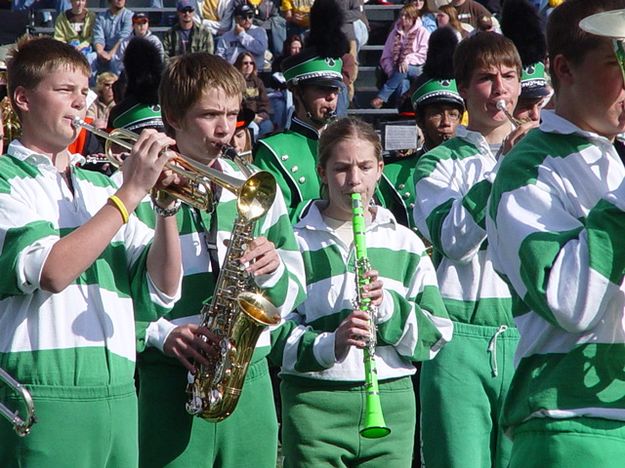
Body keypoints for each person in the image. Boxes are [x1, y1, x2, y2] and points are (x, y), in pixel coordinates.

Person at [0, 36, 182, 467]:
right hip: (45, 396)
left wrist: (166, 207)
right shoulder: (7, 180)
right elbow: (53, 272)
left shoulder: (102, 183)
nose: (80, 103)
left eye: (84, 92)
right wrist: (132, 191)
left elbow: (161, 289)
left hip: (119, 391)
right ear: (22, 98)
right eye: (65, 90)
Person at [135, 52, 306, 468]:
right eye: (210, 114)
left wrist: (276, 268)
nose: (225, 128)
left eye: (232, 113)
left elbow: (295, 287)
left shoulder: (256, 186)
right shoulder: (134, 191)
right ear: (172, 116)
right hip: (169, 377)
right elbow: (117, 295)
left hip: (248, 375)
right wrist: (161, 335)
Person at [486, 1, 625, 466]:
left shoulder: (616, 161)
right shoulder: (528, 167)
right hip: (573, 425)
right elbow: (571, 303)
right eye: (616, 63)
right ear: (563, 69)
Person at [270, 117, 452, 467]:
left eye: (365, 167)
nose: (355, 180)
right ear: (321, 172)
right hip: (313, 406)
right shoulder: (293, 242)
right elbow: (272, 334)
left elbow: (436, 336)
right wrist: (329, 344)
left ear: (380, 169)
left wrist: (387, 310)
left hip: (392, 404)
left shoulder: (405, 242)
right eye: (341, 168)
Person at [413, 32, 528, 468]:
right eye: (485, 78)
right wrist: (502, 169)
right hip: (458, 339)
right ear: (463, 90)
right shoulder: (437, 162)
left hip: (528, 334)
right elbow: (453, 242)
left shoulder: (545, 156)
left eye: (508, 76)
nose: (499, 89)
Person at [254, 0, 348, 221]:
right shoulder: (273, 151)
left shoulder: (352, 142)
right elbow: (272, 222)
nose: (331, 96)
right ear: (296, 92)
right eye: (321, 89)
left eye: (335, 89)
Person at [377, 26, 462, 232]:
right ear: (421, 121)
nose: (446, 122)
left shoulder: (477, 166)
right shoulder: (391, 174)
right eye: (436, 113)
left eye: (453, 114)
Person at [371, 3, 430, 109]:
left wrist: (407, 59)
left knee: (403, 70)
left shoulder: (423, 32)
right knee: (402, 81)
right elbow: (386, 56)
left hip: (419, 68)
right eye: (401, 15)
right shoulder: (394, 33)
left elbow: (423, 55)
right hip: (397, 70)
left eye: (406, 16)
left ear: (413, 18)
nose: (403, 18)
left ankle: (382, 97)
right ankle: (402, 109)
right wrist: (391, 72)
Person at [215, 3, 269, 69]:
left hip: (255, 73)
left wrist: (241, 35)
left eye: (250, 16)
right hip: (232, 73)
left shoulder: (259, 31)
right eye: (243, 17)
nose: (247, 19)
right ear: (236, 19)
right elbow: (219, 57)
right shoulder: (226, 36)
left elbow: (260, 49)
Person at [234, 51, 274, 139]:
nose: (249, 65)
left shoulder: (258, 82)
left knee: (268, 126)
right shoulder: (235, 83)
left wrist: (264, 112)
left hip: (259, 115)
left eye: (251, 63)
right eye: (245, 63)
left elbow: (264, 101)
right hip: (243, 118)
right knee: (253, 128)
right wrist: (252, 117)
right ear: (239, 65)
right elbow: (236, 105)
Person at [92, 0, 133, 74]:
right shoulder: (101, 17)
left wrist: (110, 54)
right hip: (104, 51)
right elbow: (98, 37)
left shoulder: (129, 15)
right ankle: (91, 85)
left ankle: (118, 84)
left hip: (120, 52)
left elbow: (123, 38)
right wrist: (100, 52)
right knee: (91, 57)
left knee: (115, 59)